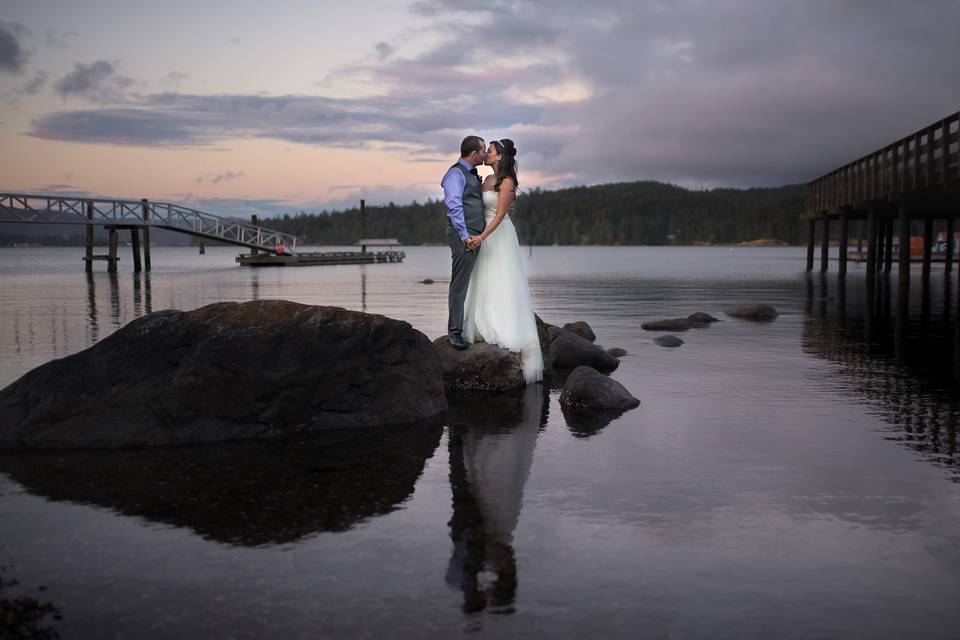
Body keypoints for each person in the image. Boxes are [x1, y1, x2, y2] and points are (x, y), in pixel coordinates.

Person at [462, 139, 543, 384]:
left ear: (499, 157)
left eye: (490, 151)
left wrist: (482, 237)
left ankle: (503, 328)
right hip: (482, 232)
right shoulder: (485, 180)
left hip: (498, 235)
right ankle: (481, 323)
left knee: (501, 278)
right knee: (483, 277)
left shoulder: (507, 182)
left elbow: (499, 215)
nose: (486, 153)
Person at [442, 135, 486, 350]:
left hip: (476, 234)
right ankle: (455, 332)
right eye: (483, 150)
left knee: (474, 282)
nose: (486, 154)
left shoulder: (473, 175)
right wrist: (464, 235)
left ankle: (474, 325)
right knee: (459, 284)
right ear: (474, 153)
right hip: (464, 236)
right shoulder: (455, 174)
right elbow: (454, 205)